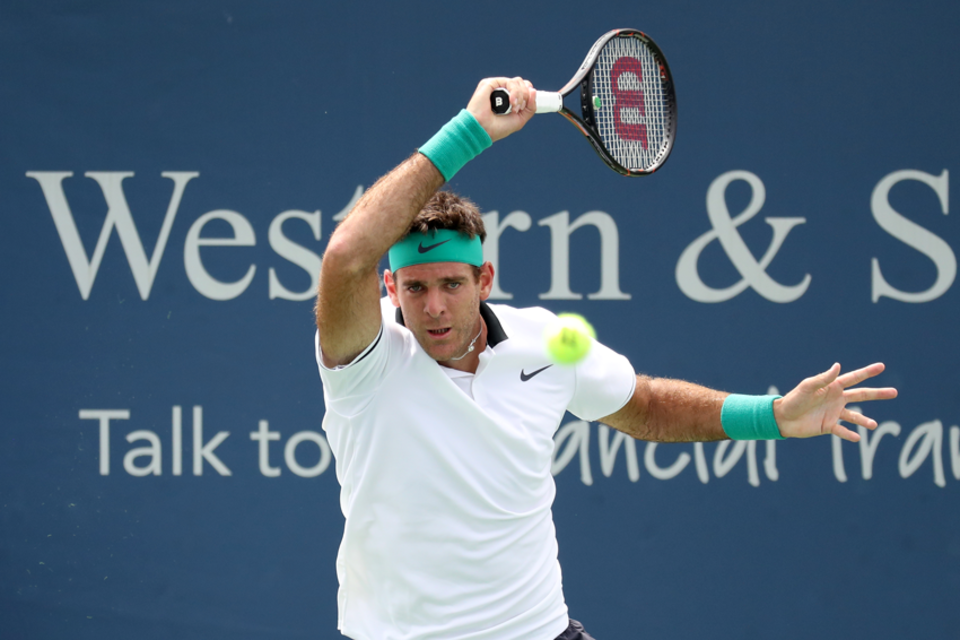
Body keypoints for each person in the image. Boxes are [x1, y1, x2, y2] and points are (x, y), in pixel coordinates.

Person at [313, 77, 897, 640]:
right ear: (389, 288)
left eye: (451, 284)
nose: (434, 306)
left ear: (484, 279)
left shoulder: (546, 342)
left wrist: (769, 416)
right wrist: (472, 131)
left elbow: (644, 405)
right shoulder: (365, 364)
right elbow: (345, 256)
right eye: (415, 288)